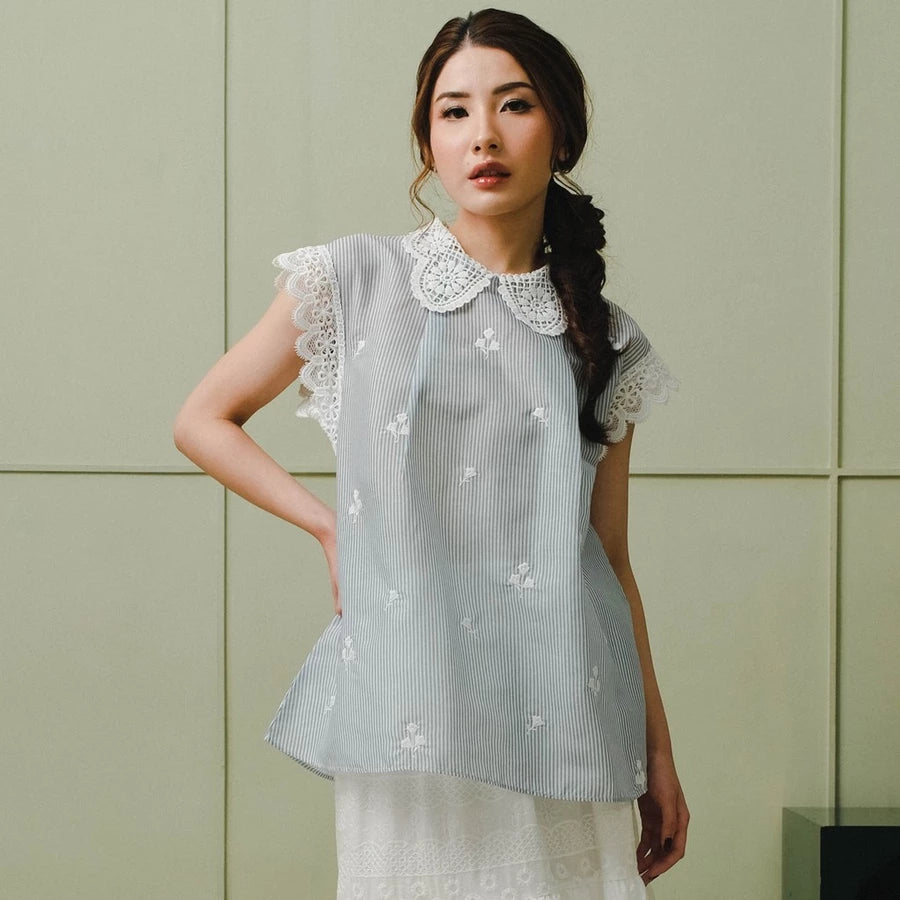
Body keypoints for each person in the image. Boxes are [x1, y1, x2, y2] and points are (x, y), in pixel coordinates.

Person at [174, 7, 689, 896]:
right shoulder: (354, 280)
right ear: (427, 142)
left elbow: (609, 562)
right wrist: (332, 530)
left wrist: (660, 755)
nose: (482, 134)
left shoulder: (607, 338)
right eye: (453, 112)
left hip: (569, 705)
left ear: (560, 128)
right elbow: (203, 419)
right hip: (413, 706)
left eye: (514, 105)